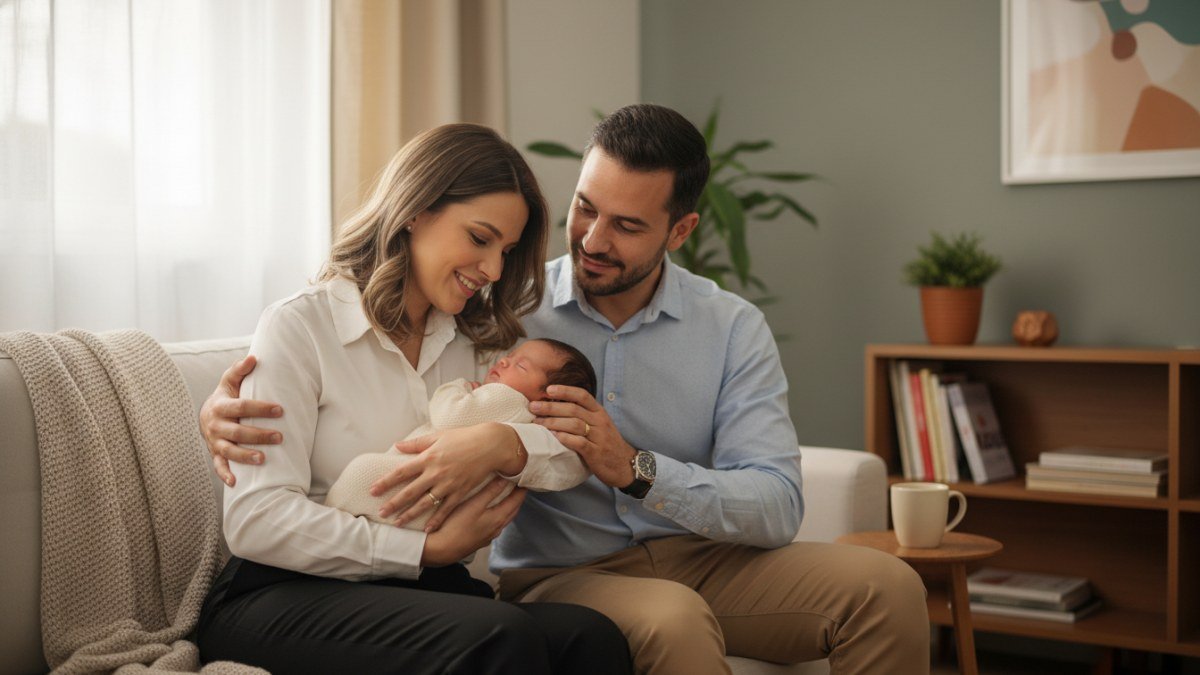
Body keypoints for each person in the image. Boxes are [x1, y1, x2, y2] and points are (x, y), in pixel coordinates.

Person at [203, 106, 930, 674]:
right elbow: (294, 439)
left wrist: (622, 466)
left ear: (680, 231)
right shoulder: (504, 311)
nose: (592, 240)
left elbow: (774, 503)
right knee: (653, 621)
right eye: (586, 208)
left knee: (888, 587)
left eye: (627, 225)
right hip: (559, 570)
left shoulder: (724, 327)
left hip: (701, 554)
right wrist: (211, 411)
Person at [193, 123, 632, 675]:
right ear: (415, 213)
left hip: (422, 593)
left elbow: (570, 453)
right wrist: (425, 551)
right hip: (280, 593)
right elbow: (256, 521)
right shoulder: (301, 328)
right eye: (480, 238)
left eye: (506, 250)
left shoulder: (477, 347)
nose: (494, 270)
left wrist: (501, 444)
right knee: (501, 636)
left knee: (591, 638)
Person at [325, 338, 597, 530]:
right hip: (446, 509)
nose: (504, 361)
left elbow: (450, 417)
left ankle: (333, 519)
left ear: (548, 397)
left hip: (422, 487)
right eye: (510, 356)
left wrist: (456, 387)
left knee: (361, 473)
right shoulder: (533, 423)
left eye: (520, 366)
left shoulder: (509, 399)